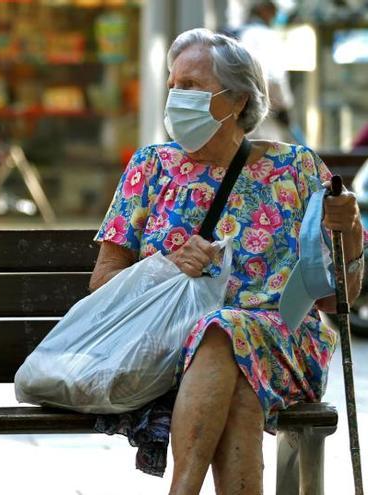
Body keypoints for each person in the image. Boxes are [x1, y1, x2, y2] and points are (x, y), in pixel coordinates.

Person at [91, 28, 364, 494]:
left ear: (237, 100)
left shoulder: (296, 169)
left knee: (225, 333)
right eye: (173, 84)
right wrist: (166, 266)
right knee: (235, 368)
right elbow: (103, 285)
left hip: (285, 342)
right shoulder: (150, 167)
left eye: (192, 86)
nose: (176, 96)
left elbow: (341, 296)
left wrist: (351, 226)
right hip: (168, 346)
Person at [237, 0, 296, 143]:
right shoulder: (265, 36)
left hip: (238, 124)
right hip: (265, 123)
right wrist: (284, 109)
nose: (275, 15)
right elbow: (274, 80)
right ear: (263, 9)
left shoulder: (236, 35)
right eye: (273, 10)